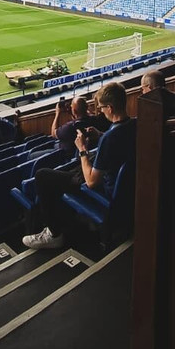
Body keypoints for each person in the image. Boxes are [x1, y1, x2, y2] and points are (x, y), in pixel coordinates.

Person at [23, 82, 136, 250]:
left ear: (110, 108)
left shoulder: (110, 139)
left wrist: (82, 149)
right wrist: (99, 134)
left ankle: (54, 234)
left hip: (104, 188)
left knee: (42, 176)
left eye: (102, 107)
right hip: (125, 187)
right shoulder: (133, 124)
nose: (101, 110)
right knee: (62, 171)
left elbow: (91, 182)